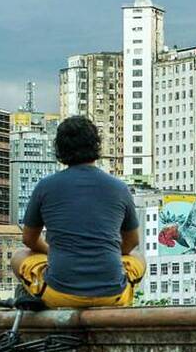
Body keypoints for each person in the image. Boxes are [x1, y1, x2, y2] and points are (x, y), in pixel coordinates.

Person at [11, 116, 145, 308]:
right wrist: (112, 255)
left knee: (19, 256)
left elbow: (29, 240)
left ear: (60, 148)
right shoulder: (119, 187)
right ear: (96, 145)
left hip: (58, 294)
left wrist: (53, 253)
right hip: (113, 295)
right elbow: (132, 242)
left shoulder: (45, 186)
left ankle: (35, 297)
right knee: (138, 257)